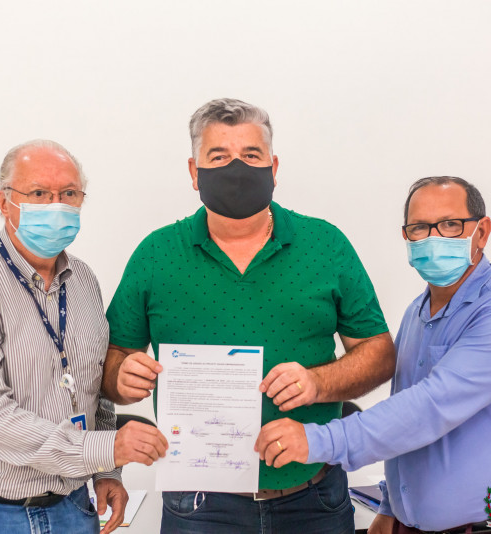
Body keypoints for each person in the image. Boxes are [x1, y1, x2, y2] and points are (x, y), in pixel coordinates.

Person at [102, 98, 396, 533]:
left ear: (274, 168)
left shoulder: (325, 244)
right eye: (219, 156)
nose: (236, 168)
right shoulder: (156, 254)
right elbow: (111, 361)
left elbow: (379, 353)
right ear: (193, 171)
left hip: (313, 496)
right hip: (198, 504)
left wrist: (319, 382)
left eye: (251, 155)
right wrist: (121, 377)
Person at [256, 176, 491, 534]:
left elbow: (429, 408)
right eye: (419, 228)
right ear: (406, 237)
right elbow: (403, 414)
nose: (433, 238)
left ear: (481, 232)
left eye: (450, 224)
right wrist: (393, 506)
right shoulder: (418, 311)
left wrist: (316, 440)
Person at [0, 140, 168, 534]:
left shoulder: (83, 281)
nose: (56, 205)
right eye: (38, 193)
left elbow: (92, 389)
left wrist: (106, 471)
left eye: (69, 193)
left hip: (71, 508)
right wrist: (104, 449)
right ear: (4, 202)